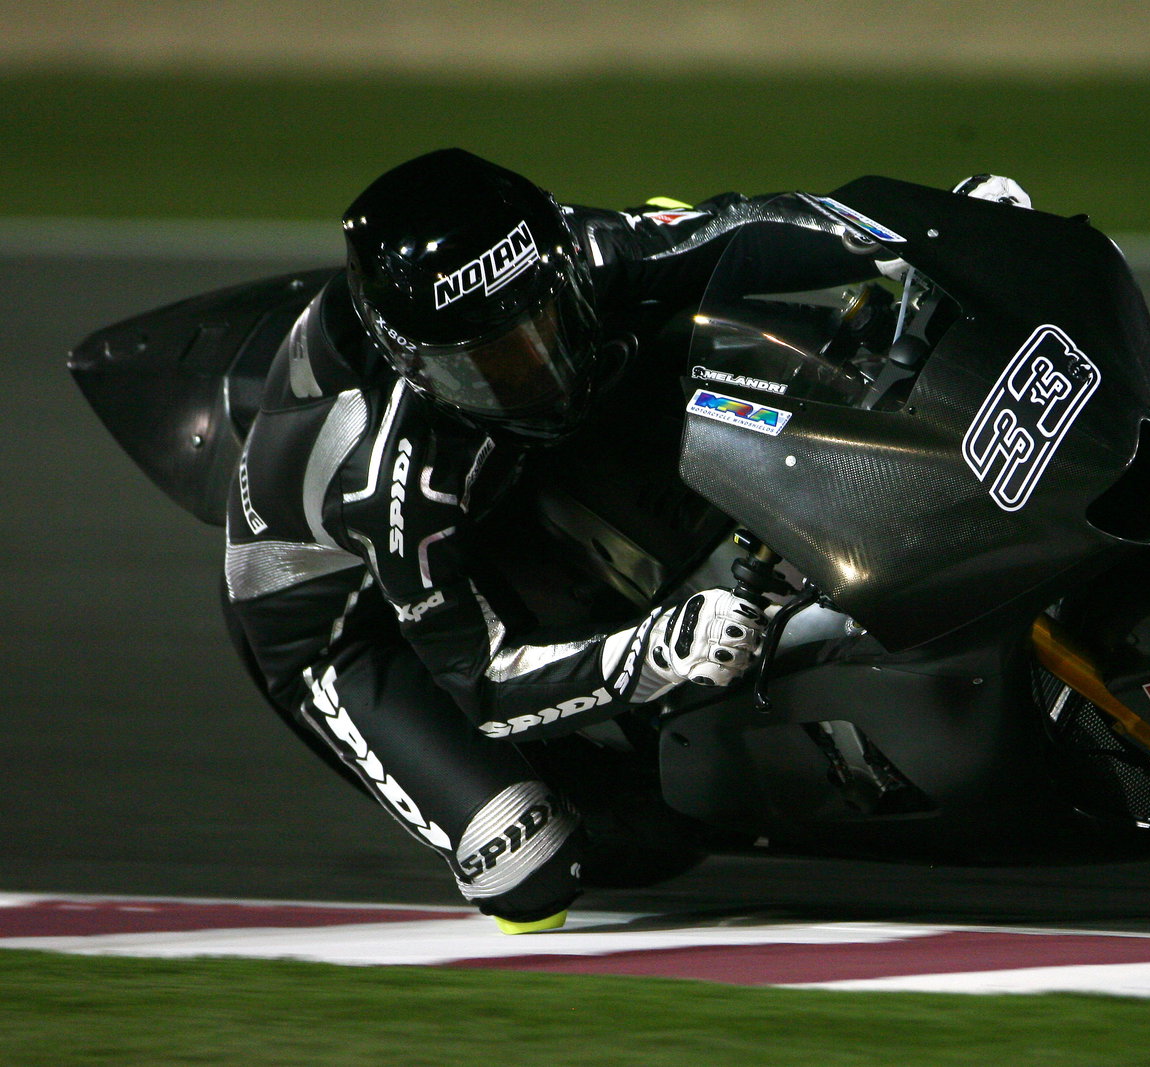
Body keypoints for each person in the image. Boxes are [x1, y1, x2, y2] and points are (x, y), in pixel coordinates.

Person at [222, 147, 1027, 932]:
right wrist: (648, 655)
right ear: (420, 370)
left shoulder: (578, 247)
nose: (537, 369)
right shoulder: (396, 478)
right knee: (527, 867)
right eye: (489, 366)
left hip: (505, 461)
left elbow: (741, 226)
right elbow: (481, 680)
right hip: (344, 627)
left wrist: (927, 234)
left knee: (689, 309)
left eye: (543, 325)